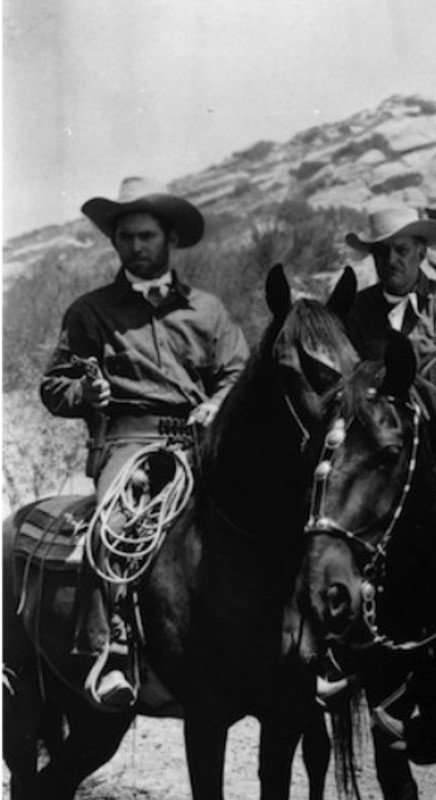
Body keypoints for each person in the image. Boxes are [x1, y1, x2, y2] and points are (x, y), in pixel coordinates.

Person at [41, 177, 249, 707]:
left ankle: (295, 644)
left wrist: (218, 403)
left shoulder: (208, 311)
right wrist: (86, 391)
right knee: (112, 521)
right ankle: (109, 649)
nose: (136, 246)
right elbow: (52, 387)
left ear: (170, 239)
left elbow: (237, 374)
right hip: (127, 442)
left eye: (147, 236)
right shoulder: (90, 311)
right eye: (126, 237)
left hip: (201, 442)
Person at [341, 207, 436, 369]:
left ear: (421, 254)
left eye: (401, 251)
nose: (391, 260)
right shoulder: (357, 309)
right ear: (374, 257)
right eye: (382, 251)